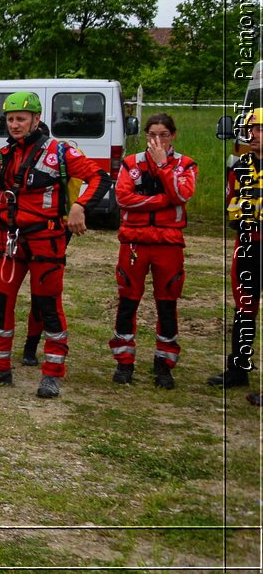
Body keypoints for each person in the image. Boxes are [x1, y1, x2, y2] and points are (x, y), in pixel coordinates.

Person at [0, 91, 108, 399]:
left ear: (36, 119)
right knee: (0, 304)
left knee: (48, 307)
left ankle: (53, 373)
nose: (14, 125)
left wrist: (80, 206)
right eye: (10, 119)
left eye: (20, 119)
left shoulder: (59, 151)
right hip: (10, 241)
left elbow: (100, 177)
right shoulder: (8, 151)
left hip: (46, 241)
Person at [108, 114, 196, 388]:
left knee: (167, 303)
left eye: (164, 135)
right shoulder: (131, 163)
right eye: (152, 134)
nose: (157, 140)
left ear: (173, 135)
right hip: (134, 241)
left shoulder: (185, 164)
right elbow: (123, 198)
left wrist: (162, 166)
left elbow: (182, 195)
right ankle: (124, 362)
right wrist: (161, 200)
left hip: (168, 243)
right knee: (128, 300)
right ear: (145, 135)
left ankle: (164, 364)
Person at [214, 108, 261, 403]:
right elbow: (232, 205)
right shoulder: (240, 167)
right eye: (253, 129)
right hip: (246, 244)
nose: (256, 135)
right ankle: (238, 369)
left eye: (262, 130)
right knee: (244, 307)